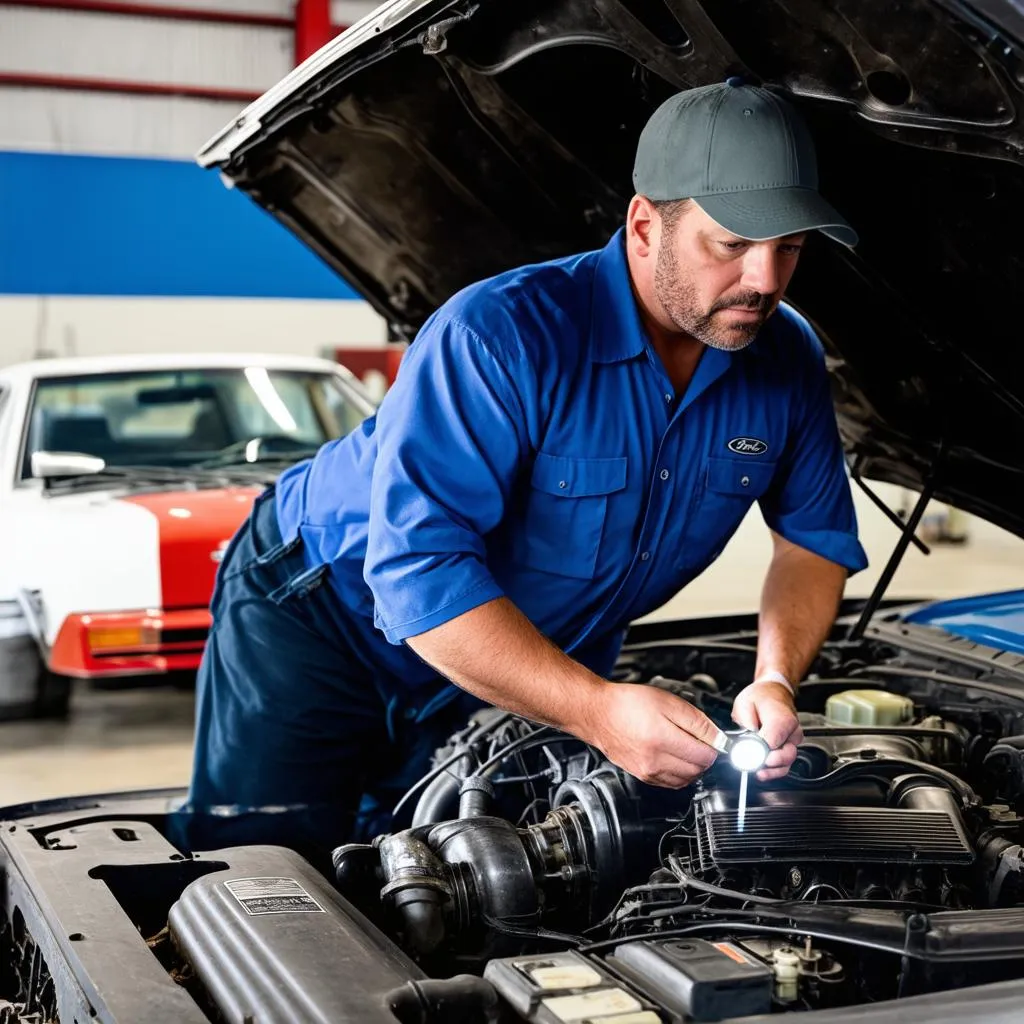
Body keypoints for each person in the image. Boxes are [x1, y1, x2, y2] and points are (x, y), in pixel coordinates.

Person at [171, 79, 868, 864]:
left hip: (527, 649)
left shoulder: (785, 358)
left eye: (791, 248)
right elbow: (418, 567)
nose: (767, 280)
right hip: (318, 614)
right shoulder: (501, 335)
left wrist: (774, 679)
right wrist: (597, 711)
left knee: (463, 874)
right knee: (267, 875)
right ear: (645, 226)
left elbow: (812, 539)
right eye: (732, 244)